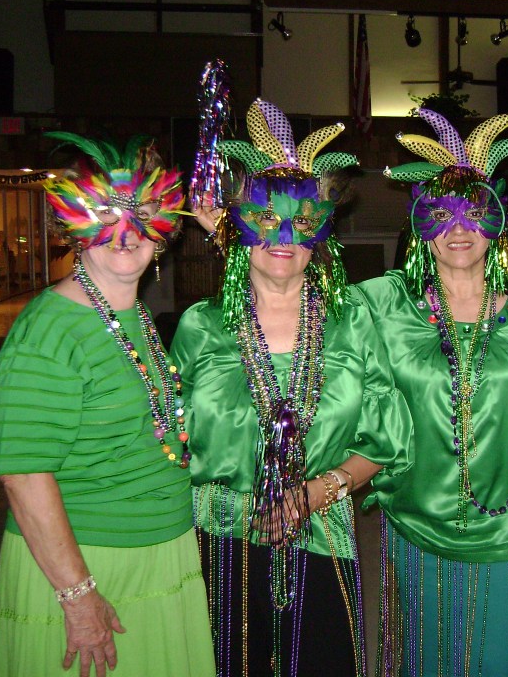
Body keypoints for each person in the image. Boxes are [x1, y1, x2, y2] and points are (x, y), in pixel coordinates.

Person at [170, 99, 412, 677]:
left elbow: (385, 439)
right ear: (237, 226)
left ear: (323, 230)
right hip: (222, 545)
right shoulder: (200, 326)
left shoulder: (351, 319)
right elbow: (166, 440)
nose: (284, 237)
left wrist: (313, 493)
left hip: (323, 536)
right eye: (265, 220)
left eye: (303, 222)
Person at [0, 133, 214, 677]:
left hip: (159, 556)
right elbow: (23, 473)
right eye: (106, 214)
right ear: (73, 222)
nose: (126, 233)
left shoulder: (133, 316)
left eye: (142, 215)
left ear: (165, 232)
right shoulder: (49, 330)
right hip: (92, 566)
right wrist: (78, 595)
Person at [356, 109, 508, 676]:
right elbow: (292, 299)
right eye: (441, 215)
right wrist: (227, 232)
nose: (459, 228)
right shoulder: (386, 304)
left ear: (497, 222)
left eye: (476, 212)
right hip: (418, 523)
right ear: (420, 225)